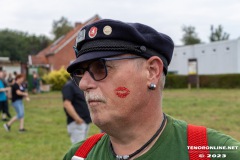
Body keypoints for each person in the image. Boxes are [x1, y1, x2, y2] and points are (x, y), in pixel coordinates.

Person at [63, 19, 240, 160]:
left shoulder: (214, 153)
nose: (83, 84)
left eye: (100, 67)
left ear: (152, 71)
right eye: (80, 72)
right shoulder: (79, 155)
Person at [62, 78, 92, 144]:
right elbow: (67, 104)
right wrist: (77, 119)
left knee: (83, 148)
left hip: (85, 122)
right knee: (78, 149)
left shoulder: (79, 86)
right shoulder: (69, 86)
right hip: (77, 123)